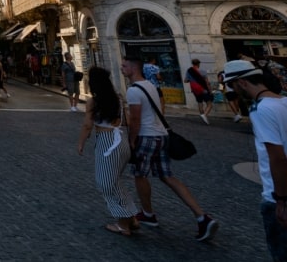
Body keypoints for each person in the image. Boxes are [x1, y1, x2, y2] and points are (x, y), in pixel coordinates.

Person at [121, 55, 218, 241]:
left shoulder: (133, 91)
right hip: (161, 136)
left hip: (147, 136)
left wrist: (132, 141)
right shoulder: (150, 85)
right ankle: (202, 216)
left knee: (139, 174)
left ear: (134, 68)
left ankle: (148, 214)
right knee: (167, 176)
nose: (122, 68)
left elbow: (135, 119)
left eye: (124, 65)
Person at [222, 59, 287, 260]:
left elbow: (277, 157)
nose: (234, 91)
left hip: (276, 194)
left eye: (233, 86)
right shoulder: (283, 102)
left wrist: (281, 200)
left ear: (242, 83)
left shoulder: (260, 110)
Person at [77, 66, 137, 236]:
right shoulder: (117, 98)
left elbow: (87, 125)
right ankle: (131, 217)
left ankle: (123, 224)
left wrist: (81, 143)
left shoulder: (93, 101)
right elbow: (127, 121)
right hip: (122, 141)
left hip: (107, 143)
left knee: (106, 183)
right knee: (114, 181)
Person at [185, 58, 214, 125]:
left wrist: (192, 80)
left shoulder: (189, 71)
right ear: (198, 64)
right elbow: (207, 82)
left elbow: (185, 80)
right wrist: (210, 90)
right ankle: (205, 115)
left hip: (195, 90)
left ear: (193, 64)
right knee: (209, 104)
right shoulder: (203, 71)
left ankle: (203, 117)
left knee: (200, 103)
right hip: (203, 89)